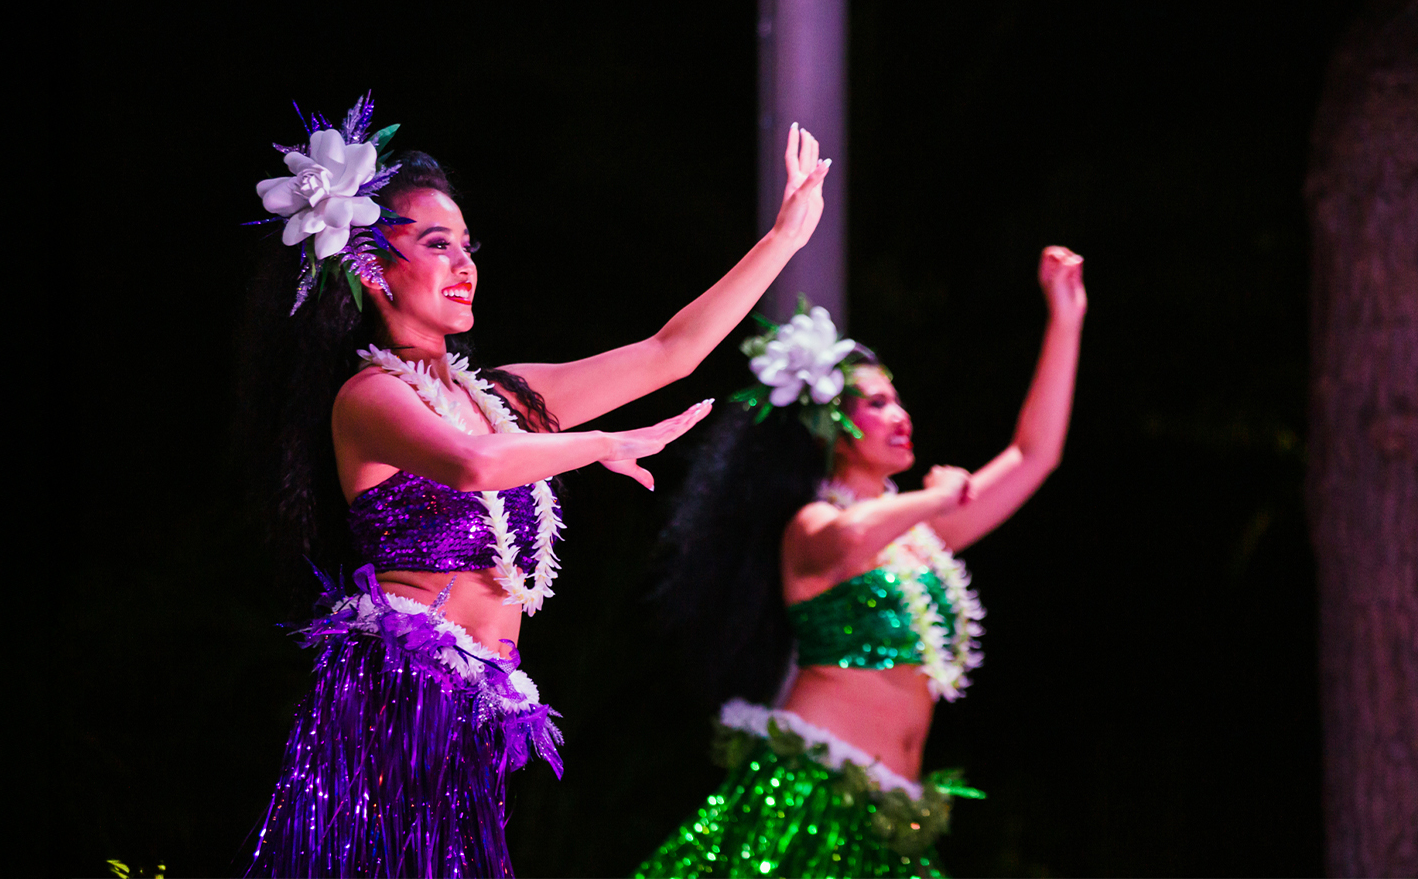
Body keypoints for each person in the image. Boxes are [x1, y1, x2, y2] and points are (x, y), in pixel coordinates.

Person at [240, 95, 832, 878]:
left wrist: (784, 238)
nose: (464, 264)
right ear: (371, 270)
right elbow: (473, 465)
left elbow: (669, 353)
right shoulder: (370, 399)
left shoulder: (509, 397)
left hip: (476, 710)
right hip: (396, 702)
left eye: (467, 244)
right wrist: (596, 445)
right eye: (436, 243)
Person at [637, 247, 1086, 878]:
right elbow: (849, 541)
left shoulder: (921, 537)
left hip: (890, 813)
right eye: (876, 404)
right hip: (812, 795)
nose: (899, 416)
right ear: (829, 427)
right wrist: (935, 496)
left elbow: (1034, 455)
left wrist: (1066, 320)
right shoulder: (811, 527)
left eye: (897, 400)